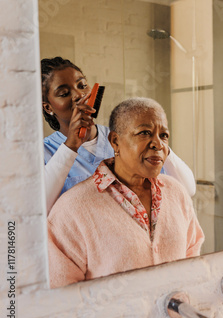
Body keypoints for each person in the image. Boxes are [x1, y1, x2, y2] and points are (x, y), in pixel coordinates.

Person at [48, 97, 204, 288]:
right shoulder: (72, 209)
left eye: (163, 136)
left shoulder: (176, 193)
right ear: (115, 141)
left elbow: (192, 259)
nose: (158, 144)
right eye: (145, 133)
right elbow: (62, 296)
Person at [42, 57, 196, 213]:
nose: (78, 95)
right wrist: (71, 146)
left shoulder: (124, 137)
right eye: (63, 93)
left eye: (82, 85)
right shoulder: (44, 153)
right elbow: (39, 208)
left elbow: (187, 189)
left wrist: (157, 142)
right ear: (48, 107)